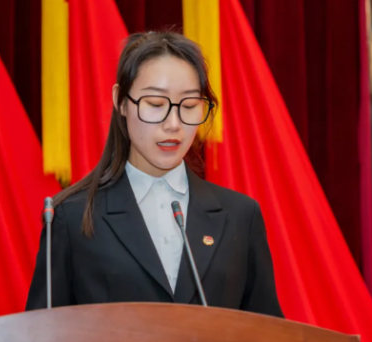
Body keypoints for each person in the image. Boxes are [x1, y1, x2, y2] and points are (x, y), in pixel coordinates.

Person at [26, 31, 283, 318]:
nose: (173, 124)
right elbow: (43, 338)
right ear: (121, 101)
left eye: (189, 106)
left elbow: (268, 334)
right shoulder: (71, 216)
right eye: (156, 104)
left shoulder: (241, 216)